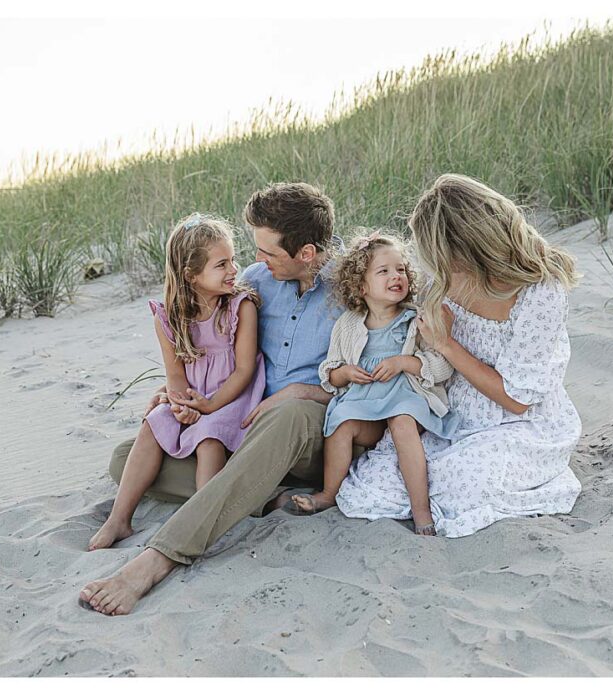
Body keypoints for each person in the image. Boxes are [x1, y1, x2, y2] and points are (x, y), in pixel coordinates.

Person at [80, 182, 350, 616]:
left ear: (306, 253)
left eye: (268, 252)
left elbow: (374, 381)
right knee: (126, 458)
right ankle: (263, 496)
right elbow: (212, 339)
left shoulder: (351, 293)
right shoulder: (256, 282)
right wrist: (177, 392)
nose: (255, 261)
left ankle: (158, 557)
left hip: (311, 428)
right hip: (243, 421)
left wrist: (306, 391)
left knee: (286, 414)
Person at [336, 174, 583, 538]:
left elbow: (516, 400)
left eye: (443, 254)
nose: (437, 265)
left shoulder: (540, 293)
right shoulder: (444, 279)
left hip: (517, 421)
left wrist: (447, 344)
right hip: (453, 411)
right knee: (377, 483)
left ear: (470, 248)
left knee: (467, 481)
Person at [87, 214, 265, 551]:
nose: (233, 270)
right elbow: (174, 374)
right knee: (154, 423)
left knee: (209, 439)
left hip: (233, 396)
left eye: (233, 260)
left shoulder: (240, 307)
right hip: (193, 394)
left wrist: (209, 406)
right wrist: (182, 405)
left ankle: (201, 522)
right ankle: (119, 519)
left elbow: (244, 370)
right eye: (221, 264)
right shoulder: (168, 316)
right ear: (191, 275)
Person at [289, 232, 458, 535]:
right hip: (366, 403)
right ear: (361, 286)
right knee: (341, 422)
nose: (396, 277)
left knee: (402, 422)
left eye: (401, 269)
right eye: (384, 271)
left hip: (406, 396)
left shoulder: (414, 320)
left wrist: (403, 363)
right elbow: (330, 370)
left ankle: (422, 513)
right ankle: (328, 494)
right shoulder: (349, 324)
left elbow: (442, 366)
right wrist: (346, 373)